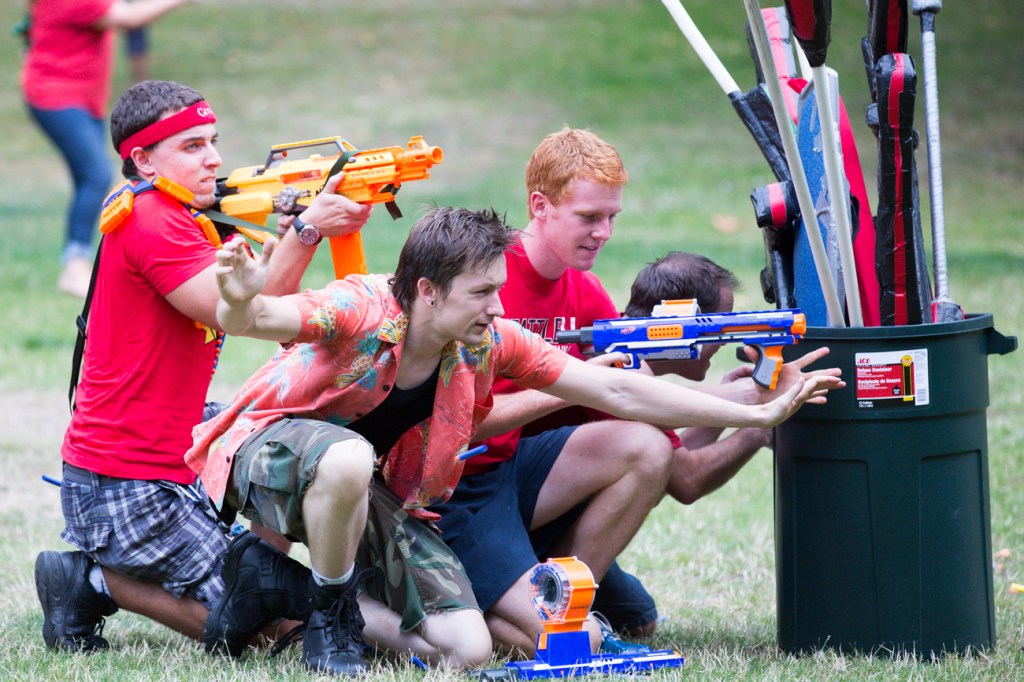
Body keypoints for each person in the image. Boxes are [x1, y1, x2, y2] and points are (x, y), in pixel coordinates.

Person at [188, 205, 842, 674]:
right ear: (426, 291)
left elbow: (613, 391)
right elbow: (268, 317)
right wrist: (241, 301)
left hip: (369, 493)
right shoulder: (361, 308)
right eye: (482, 292)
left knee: (466, 648)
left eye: (497, 289)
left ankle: (282, 590)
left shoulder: (487, 339)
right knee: (348, 456)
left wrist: (758, 414)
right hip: (269, 458)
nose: (498, 308)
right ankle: (329, 616)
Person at [428, 129, 812, 655]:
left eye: (612, 217)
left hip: (519, 476)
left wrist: (739, 403)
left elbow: (653, 431)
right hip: (459, 485)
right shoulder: (487, 280)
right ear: (539, 206)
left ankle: (551, 591)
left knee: (637, 617)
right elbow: (467, 417)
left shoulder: (585, 292)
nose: (604, 232)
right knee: (553, 643)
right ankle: (499, 608)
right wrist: (576, 380)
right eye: (589, 217)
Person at [34, 80, 373, 655]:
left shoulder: (186, 217)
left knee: (273, 546)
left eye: (212, 141)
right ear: (142, 158)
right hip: (127, 482)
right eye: (191, 145)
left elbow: (259, 308)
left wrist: (298, 233)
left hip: (175, 454)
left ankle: (218, 562)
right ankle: (91, 579)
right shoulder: (152, 218)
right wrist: (309, 226)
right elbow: (230, 316)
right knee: (273, 632)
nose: (213, 157)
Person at [20, 0, 199, 298]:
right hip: (56, 96)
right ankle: (74, 267)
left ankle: (98, 263)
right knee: (96, 175)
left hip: (78, 97)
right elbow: (128, 17)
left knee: (88, 179)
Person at [623, 251, 774, 504]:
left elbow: (670, 466)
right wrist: (759, 431)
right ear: (678, 323)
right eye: (718, 329)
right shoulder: (621, 368)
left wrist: (722, 407)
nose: (723, 342)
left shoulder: (626, 358)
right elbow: (686, 480)